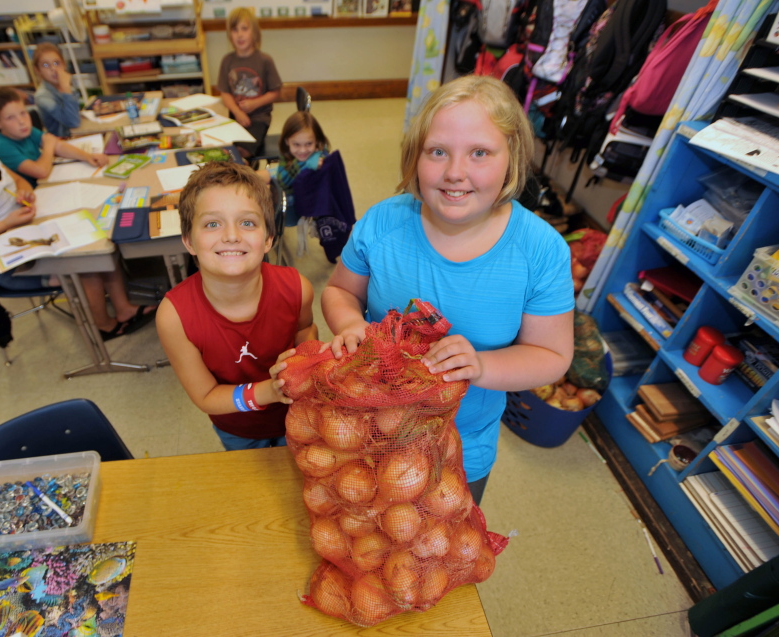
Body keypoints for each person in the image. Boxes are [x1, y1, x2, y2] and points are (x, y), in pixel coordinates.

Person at [321, 75, 575, 504]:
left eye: (480, 153)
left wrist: (480, 366)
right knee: (363, 529)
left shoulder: (540, 251)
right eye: (438, 152)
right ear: (414, 157)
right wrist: (348, 322)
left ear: (511, 160)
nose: (455, 173)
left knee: (440, 551)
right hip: (369, 423)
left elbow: (552, 356)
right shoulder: (383, 224)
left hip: (462, 443)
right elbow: (339, 292)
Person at [0, 100, 150, 340]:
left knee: (98, 242)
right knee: (88, 267)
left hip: (26, 231)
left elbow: (17, 180)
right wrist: (6, 223)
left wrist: (23, 191)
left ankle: (124, 309)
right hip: (7, 263)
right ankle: (104, 327)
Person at [156, 161, 318, 451]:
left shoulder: (298, 288)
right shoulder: (174, 317)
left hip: (299, 415)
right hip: (237, 429)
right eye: (212, 224)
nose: (231, 235)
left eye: (247, 222)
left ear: (268, 238)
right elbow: (205, 395)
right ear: (188, 241)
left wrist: (304, 361)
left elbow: (305, 329)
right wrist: (268, 392)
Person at [0, 87, 107, 188]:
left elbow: (58, 145)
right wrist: (48, 147)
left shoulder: (24, 130)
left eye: (23, 113)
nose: (21, 121)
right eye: (11, 117)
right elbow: (41, 171)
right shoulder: (1, 146)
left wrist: (87, 156)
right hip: (35, 192)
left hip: (46, 183)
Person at [258, 111, 330, 256]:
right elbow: (283, 172)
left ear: (317, 141)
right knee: (253, 178)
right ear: (287, 142)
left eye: (308, 144)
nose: (303, 150)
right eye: (296, 144)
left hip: (293, 204)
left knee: (254, 192)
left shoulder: (316, 162)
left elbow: (286, 179)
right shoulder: (294, 157)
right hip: (287, 183)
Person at [216, 8, 282, 159]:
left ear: (254, 32)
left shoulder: (265, 60)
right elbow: (225, 93)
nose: (239, 34)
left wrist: (255, 104)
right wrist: (237, 112)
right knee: (219, 149)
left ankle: (245, 177)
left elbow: (275, 92)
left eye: (244, 29)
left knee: (240, 153)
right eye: (234, 30)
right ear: (230, 35)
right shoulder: (227, 61)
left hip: (258, 119)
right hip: (233, 116)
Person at [32, 43, 82, 138]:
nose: (53, 69)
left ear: (64, 65)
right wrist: (66, 89)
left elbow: (76, 113)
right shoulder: (42, 96)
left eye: (56, 63)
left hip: (75, 135)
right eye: (45, 65)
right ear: (38, 70)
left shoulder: (63, 84)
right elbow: (73, 122)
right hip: (62, 140)